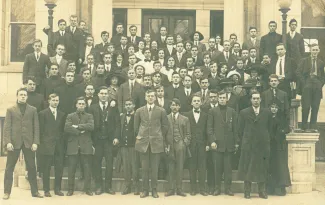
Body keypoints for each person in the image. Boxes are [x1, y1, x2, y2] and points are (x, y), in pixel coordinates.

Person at [3, 88, 43, 200]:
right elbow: (6, 128)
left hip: (29, 143)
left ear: (27, 97)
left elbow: (36, 127)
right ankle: (7, 192)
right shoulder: (10, 109)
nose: (23, 97)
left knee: (31, 167)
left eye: (25, 95)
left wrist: (35, 142)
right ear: (17, 96)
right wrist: (8, 142)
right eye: (21, 95)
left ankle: (35, 192)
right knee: (9, 168)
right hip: (14, 143)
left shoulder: (33, 110)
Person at [134, 89, 169, 198]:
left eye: (152, 96)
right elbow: (136, 127)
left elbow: (165, 126)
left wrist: (158, 135)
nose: (150, 98)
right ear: (145, 97)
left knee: (155, 168)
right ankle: (145, 190)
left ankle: (154, 189)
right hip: (143, 143)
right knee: (144, 168)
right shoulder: (139, 111)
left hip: (156, 143)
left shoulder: (161, 111)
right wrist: (141, 136)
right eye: (148, 96)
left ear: (155, 98)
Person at [237, 91, 272, 199]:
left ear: (261, 99)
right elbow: (240, 129)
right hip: (248, 144)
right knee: (247, 167)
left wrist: (265, 139)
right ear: (251, 100)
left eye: (258, 98)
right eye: (254, 98)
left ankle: (262, 191)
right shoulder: (244, 112)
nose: (256, 100)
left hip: (262, 145)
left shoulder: (267, 112)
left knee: (262, 168)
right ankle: (247, 191)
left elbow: (269, 128)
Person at [88, 87, 120, 195]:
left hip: (109, 140)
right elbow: (90, 124)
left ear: (108, 95)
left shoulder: (114, 108)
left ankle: (108, 186)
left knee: (109, 164)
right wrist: (91, 141)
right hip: (97, 140)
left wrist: (116, 137)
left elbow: (117, 124)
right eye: (101, 93)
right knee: (96, 164)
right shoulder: (92, 108)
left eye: (105, 93)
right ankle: (99, 186)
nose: (103, 95)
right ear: (98, 95)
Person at [207, 91, 238, 196]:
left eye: (223, 98)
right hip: (217, 144)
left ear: (227, 99)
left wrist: (236, 143)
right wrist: (212, 141)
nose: (221, 99)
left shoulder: (232, 111)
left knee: (228, 169)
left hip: (229, 144)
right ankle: (217, 188)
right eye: (220, 98)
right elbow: (209, 128)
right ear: (217, 99)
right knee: (217, 168)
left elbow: (235, 128)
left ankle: (228, 188)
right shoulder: (212, 111)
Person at [64, 97, 94, 196]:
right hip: (73, 145)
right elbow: (67, 128)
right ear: (76, 105)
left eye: (83, 104)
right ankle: (70, 189)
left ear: (85, 105)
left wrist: (77, 126)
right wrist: (80, 131)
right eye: (79, 104)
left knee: (87, 169)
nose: (81, 105)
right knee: (71, 169)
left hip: (86, 145)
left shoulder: (89, 116)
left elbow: (91, 126)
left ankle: (88, 189)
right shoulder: (70, 116)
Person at [39, 93, 65, 197]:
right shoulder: (42, 114)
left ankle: (57, 189)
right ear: (49, 101)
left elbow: (63, 131)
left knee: (59, 167)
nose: (55, 102)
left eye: (57, 100)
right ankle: (46, 190)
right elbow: (41, 131)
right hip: (47, 144)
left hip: (59, 145)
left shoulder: (62, 114)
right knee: (47, 168)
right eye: (53, 100)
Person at [183, 95, 209, 196]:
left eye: (198, 101)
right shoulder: (186, 115)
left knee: (202, 167)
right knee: (192, 167)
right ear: (191, 103)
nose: (197, 102)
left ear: (201, 103)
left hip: (202, 145)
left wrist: (207, 144)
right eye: (195, 101)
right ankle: (193, 189)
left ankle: (202, 189)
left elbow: (207, 131)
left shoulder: (206, 115)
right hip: (191, 145)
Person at [165, 98, 190, 197]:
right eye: (173, 105)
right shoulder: (166, 118)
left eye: (176, 105)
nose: (174, 107)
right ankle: (171, 189)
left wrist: (184, 144)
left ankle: (179, 189)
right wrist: (165, 146)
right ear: (170, 106)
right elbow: (163, 133)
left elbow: (188, 135)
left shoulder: (185, 119)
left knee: (180, 167)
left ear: (179, 106)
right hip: (169, 146)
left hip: (180, 145)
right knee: (171, 167)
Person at [296, 44, 325, 131]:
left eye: (316, 50)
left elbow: (323, 76)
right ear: (310, 50)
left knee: (315, 107)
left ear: (318, 51)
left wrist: (320, 84)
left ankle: (313, 127)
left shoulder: (321, 62)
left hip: (317, 85)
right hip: (307, 84)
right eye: (313, 50)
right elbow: (298, 72)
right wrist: (304, 83)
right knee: (306, 106)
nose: (315, 52)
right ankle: (304, 127)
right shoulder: (304, 60)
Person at [267, 102, 291, 196]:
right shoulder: (267, 118)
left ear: (278, 109)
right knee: (270, 165)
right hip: (270, 145)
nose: (273, 109)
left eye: (275, 107)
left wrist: (281, 131)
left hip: (279, 145)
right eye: (272, 107)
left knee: (280, 166)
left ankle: (281, 188)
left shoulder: (282, 118)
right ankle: (270, 187)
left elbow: (287, 129)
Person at [119, 99, 140, 195]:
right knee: (126, 166)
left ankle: (136, 186)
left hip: (134, 145)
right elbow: (119, 128)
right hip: (124, 145)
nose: (128, 106)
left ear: (134, 105)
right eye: (126, 104)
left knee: (134, 166)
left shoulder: (137, 116)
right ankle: (127, 186)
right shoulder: (122, 116)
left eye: (130, 104)